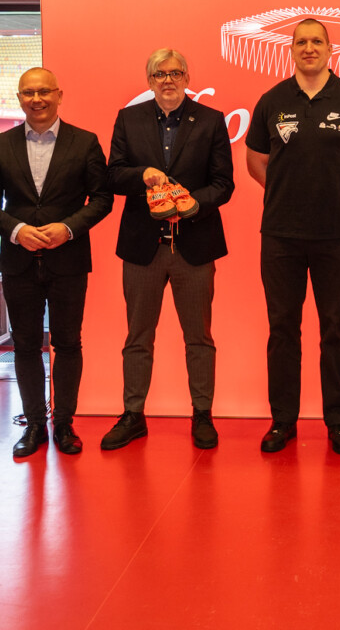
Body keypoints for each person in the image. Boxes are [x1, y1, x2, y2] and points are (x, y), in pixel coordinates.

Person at [246, 18, 340, 455]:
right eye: (301, 42)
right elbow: (255, 162)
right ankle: (283, 421)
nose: (309, 48)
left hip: (337, 236)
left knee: (336, 330)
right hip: (281, 236)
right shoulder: (272, 100)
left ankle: (339, 423)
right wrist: (287, 196)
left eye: (317, 42)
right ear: (291, 49)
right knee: (282, 329)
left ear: (330, 49)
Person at [0, 67, 113, 458]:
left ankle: (64, 424)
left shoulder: (85, 142)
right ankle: (35, 424)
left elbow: (102, 198)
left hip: (69, 259)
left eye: (44, 92)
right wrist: (16, 230)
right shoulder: (0, 144)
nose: (36, 99)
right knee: (25, 345)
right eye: (28, 93)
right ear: (20, 98)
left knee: (68, 343)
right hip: (18, 261)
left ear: (59, 95)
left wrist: (68, 229)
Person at [101, 49, 234, 451]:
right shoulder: (129, 118)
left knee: (199, 338)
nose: (168, 80)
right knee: (137, 337)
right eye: (160, 74)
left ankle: (202, 414)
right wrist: (141, 175)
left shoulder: (210, 120)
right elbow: (113, 175)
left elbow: (223, 183)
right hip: (143, 247)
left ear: (187, 77)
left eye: (175, 73)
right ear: (149, 81)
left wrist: (194, 204)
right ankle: (133, 415)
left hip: (195, 246)